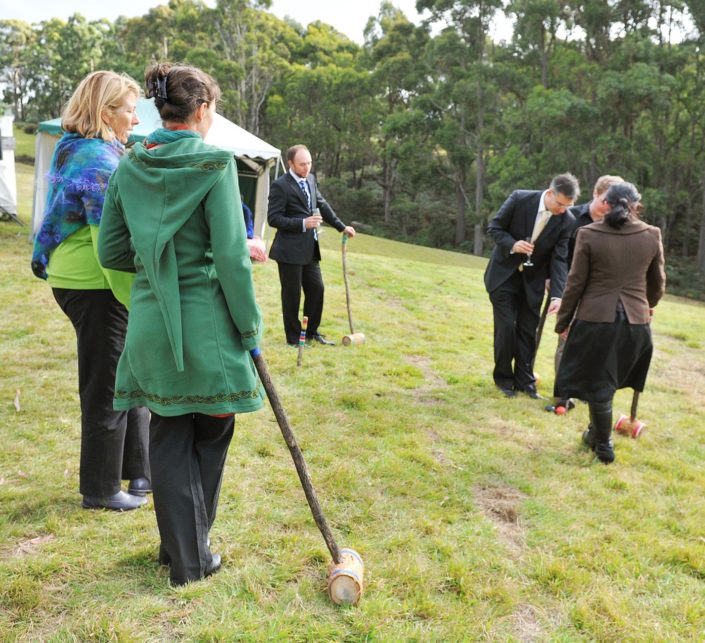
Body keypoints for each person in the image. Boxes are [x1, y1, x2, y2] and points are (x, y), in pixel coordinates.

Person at [98, 63, 264, 586]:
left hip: (150, 321)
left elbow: (110, 250)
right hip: (208, 326)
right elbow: (232, 260)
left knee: (169, 433)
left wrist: (156, 262)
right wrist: (251, 328)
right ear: (203, 109)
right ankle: (191, 560)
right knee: (212, 431)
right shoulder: (216, 164)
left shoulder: (130, 164)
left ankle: (181, 548)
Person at [30, 71, 150, 512]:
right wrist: (139, 299)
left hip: (83, 279)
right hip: (95, 284)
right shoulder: (97, 162)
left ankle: (139, 470)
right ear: (105, 112)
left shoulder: (84, 148)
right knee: (109, 385)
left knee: (128, 373)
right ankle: (100, 489)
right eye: (130, 110)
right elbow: (110, 249)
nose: (136, 119)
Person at [554, 182, 665, 463]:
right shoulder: (652, 234)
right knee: (604, 382)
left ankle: (604, 447)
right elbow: (657, 284)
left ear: (606, 203)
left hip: (596, 322)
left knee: (600, 384)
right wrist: (647, 306)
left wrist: (563, 321)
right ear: (636, 205)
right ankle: (595, 433)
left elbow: (575, 284)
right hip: (636, 325)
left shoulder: (588, 234)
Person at [484, 173, 579, 398]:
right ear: (550, 193)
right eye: (560, 204)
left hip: (532, 282)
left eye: (568, 206)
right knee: (507, 327)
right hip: (503, 276)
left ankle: (525, 382)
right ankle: (504, 380)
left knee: (528, 331)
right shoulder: (519, 198)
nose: (563, 210)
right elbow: (495, 228)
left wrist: (557, 295)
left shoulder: (567, 220)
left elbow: (559, 258)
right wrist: (513, 244)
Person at [546, 174, 623, 414]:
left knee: (596, 345)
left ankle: (590, 393)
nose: (608, 207)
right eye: (605, 200)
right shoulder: (570, 217)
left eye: (614, 202)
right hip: (571, 288)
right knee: (566, 341)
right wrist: (558, 286)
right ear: (595, 193)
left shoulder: (619, 225)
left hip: (600, 294)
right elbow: (559, 254)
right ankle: (563, 397)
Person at [267, 144, 355, 346]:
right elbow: (273, 218)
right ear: (290, 163)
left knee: (317, 289)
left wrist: (341, 227)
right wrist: (302, 223)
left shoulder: (311, 179)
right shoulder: (280, 185)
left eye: (309, 163)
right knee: (292, 296)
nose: (307, 167)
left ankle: (311, 332)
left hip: (310, 248)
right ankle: (293, 339)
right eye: (302, 164)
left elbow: (322, 205)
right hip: (289, 251)